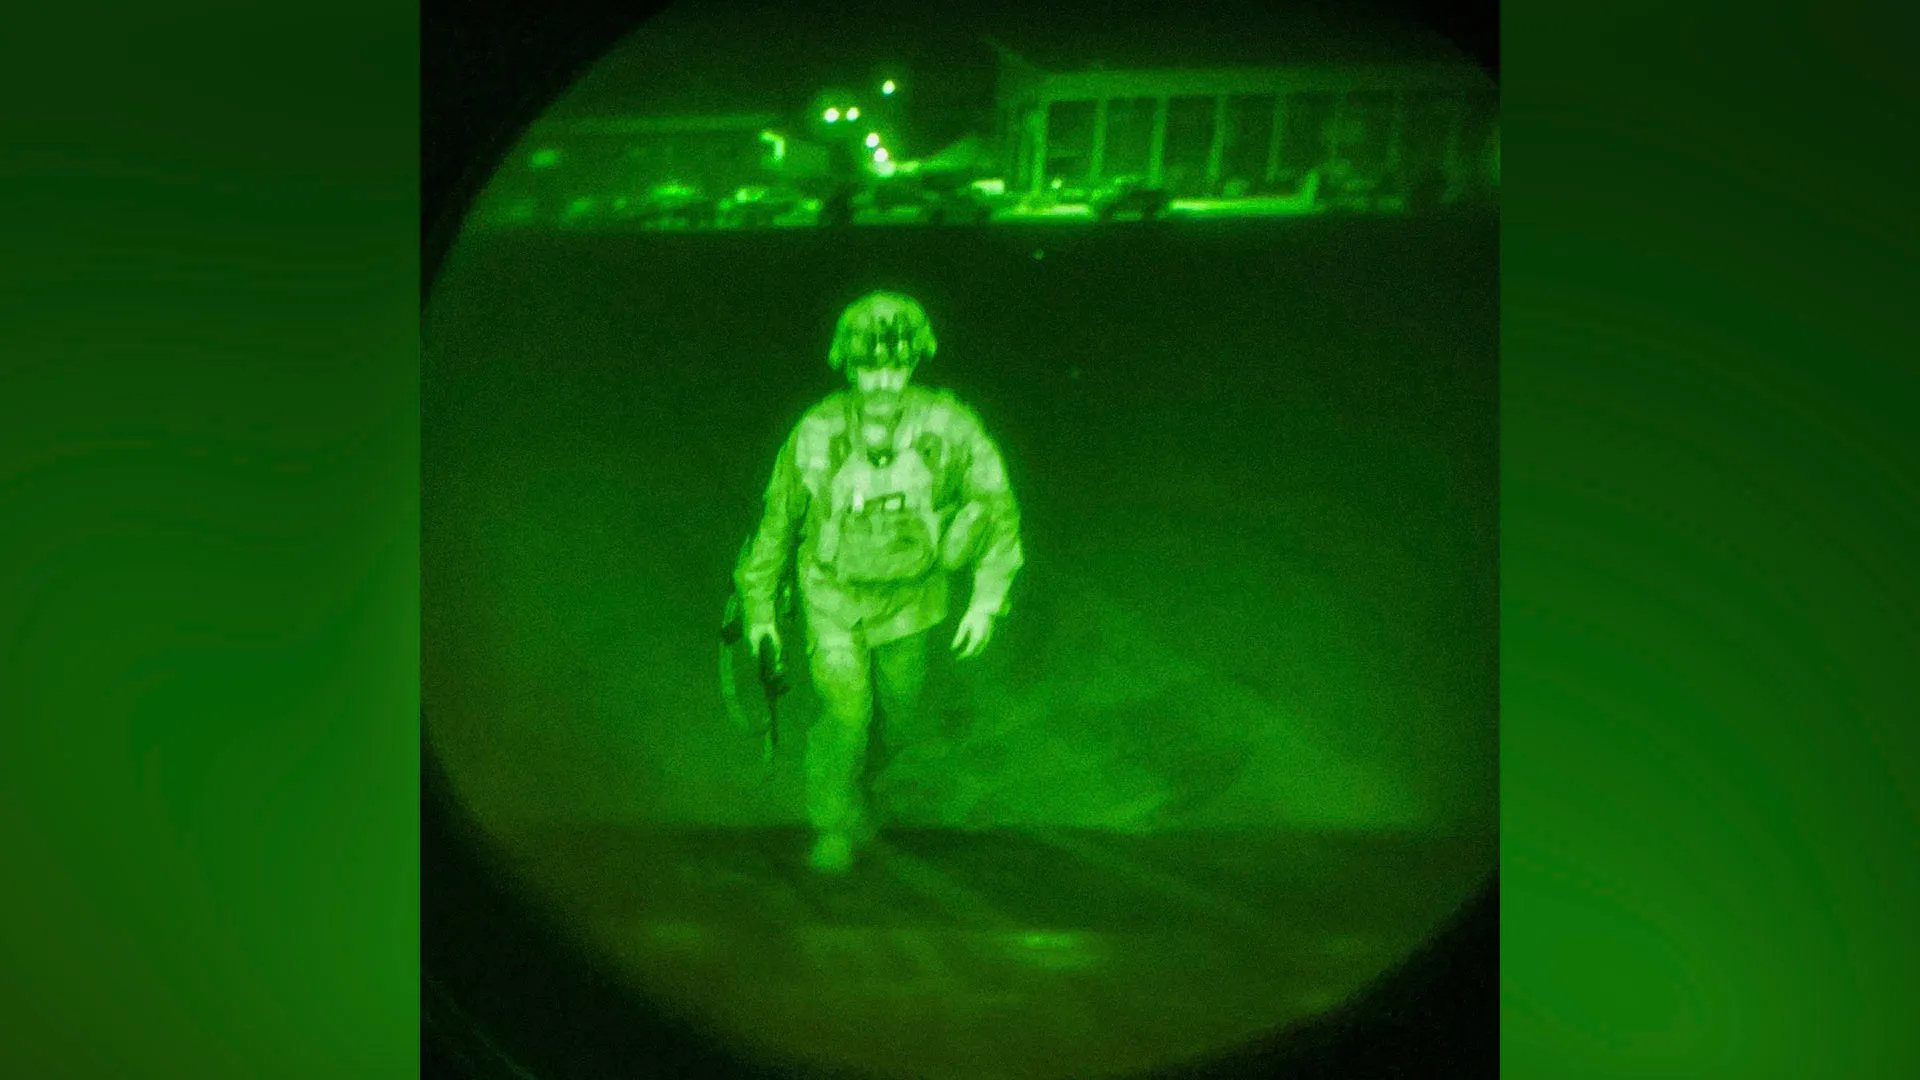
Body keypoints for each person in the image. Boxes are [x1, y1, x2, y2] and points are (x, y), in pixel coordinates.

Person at [734, 291, 1024, 873]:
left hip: (913, 602)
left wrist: (986, 602)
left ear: (915, 361)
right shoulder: (816, 431)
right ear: (849, 365)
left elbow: (996, 510)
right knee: (846, 713)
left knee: (897, 717)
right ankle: (834, 824)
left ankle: (859, 787)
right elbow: (778, 522)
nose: (884, 381)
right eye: (870, 367)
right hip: (832, 597)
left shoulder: (951, 426)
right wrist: (759, 609)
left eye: (896, 365)